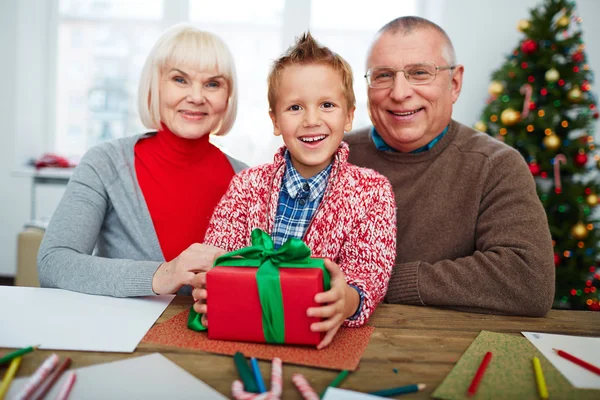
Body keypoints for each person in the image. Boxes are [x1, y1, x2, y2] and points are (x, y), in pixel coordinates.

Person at [193, 33, 397, 348]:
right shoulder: (246, 186)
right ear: (275, 120)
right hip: (241, 336)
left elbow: (368, 275)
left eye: (327, 105)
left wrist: (348, 301)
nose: (311, 120)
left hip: (320, 341)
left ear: (349, 116)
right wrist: (208, 290)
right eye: (295, 108)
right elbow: (217, 260)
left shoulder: (372, 191)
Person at [345, 16, 555, 317]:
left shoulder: (496, 166)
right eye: (383, 75)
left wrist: (373, 283)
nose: (400, 92)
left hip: (448, 347)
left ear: (454, 84)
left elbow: (528, 280)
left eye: (419, 73)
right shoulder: (336, 155)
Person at [37, 24, 246, 297]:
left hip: (215, 338)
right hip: (122, 337)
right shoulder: (105, 164)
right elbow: (53, 263)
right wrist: (159, 275)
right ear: (155, 86)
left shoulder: (248, 181)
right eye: (180, 80)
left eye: (213, 84)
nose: (196, 97)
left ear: (227, 97)